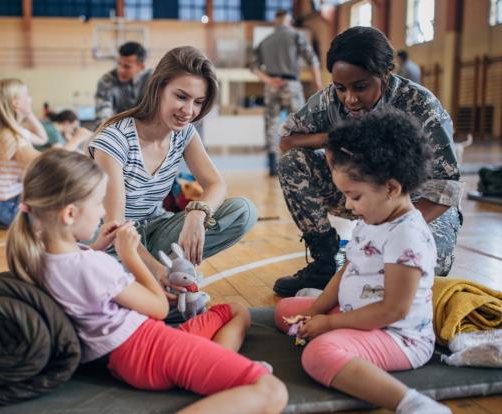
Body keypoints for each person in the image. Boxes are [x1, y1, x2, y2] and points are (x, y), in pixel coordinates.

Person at [5, 149, 288, 413]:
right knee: (272, 391)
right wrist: (131, 258)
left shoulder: (39, 257)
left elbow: (77, 268)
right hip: (149, 351)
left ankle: (214, 367)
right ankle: (217, 369)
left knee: (235, 311)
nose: (104, 212)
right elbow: (159, 309)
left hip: (128, 355)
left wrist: (99, 246)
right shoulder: (96, 266)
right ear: (69, 214)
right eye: (98, 203)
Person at [275, 109, 450, 414]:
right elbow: (348, 269)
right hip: (358, 313)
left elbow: (393, 310)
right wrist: (316, 311)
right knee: (286, 312)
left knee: (317, 354)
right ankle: (325, 317)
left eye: (354, 196)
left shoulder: (407, 234)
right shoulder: (373, 216)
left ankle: (412, 404)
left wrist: (328, 323)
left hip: (398, 336)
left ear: (391, 189)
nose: (347, 205)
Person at [273, 26, 463, 297]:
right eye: (341, 88)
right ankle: (324, 263)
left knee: (429, 265)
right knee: (293, 162)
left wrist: (394, 230)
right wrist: (333, 138)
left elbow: (445, 190)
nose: (349, 98)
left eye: (360, 87)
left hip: (416, 204)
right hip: (362, 196)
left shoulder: (420, 106)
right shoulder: (330, 99)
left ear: (385, 74)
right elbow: (286, 140)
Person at [89, 46, 258, 292]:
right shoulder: (114, 140)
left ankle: (161, 275)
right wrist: (159, 273)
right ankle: (158, 275)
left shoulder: (185, 134)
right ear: (158, 89)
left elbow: (216, 184)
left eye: (198, 102)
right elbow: (116, 227)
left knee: (243, 211)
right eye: (181, 96)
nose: (189, 111)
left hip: (156, 229)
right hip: (115, 241)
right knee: (129, 296)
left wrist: (196, 214)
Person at [251, 9, 323, 176]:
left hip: (272, 87)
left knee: (271, 124)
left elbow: (253, 66)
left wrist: (268, 79)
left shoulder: (265, 41)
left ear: (276, 21)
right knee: (299, 124)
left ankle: (271, 166)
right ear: (289, 21)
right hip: (292, 85)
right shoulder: (295, 36)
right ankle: (299, 163)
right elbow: (312, 59)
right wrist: (317, 82)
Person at [0, 78, 48, 226]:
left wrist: (29, 114)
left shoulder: (11, 130)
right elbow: (44, 164)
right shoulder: (11, 135)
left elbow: (43, 138)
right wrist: (74, 141)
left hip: (7, 205)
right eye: (27, 95)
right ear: (16, 103)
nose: (31, 98)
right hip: (11, 208)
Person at [95, 41, 152, 125]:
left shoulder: (153, 80)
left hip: (146, 130)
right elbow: (103, 116)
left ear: (141, 66)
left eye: (127, 66)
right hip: (115, 130)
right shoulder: (107, 80)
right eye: (118, 64)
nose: (120, 70)